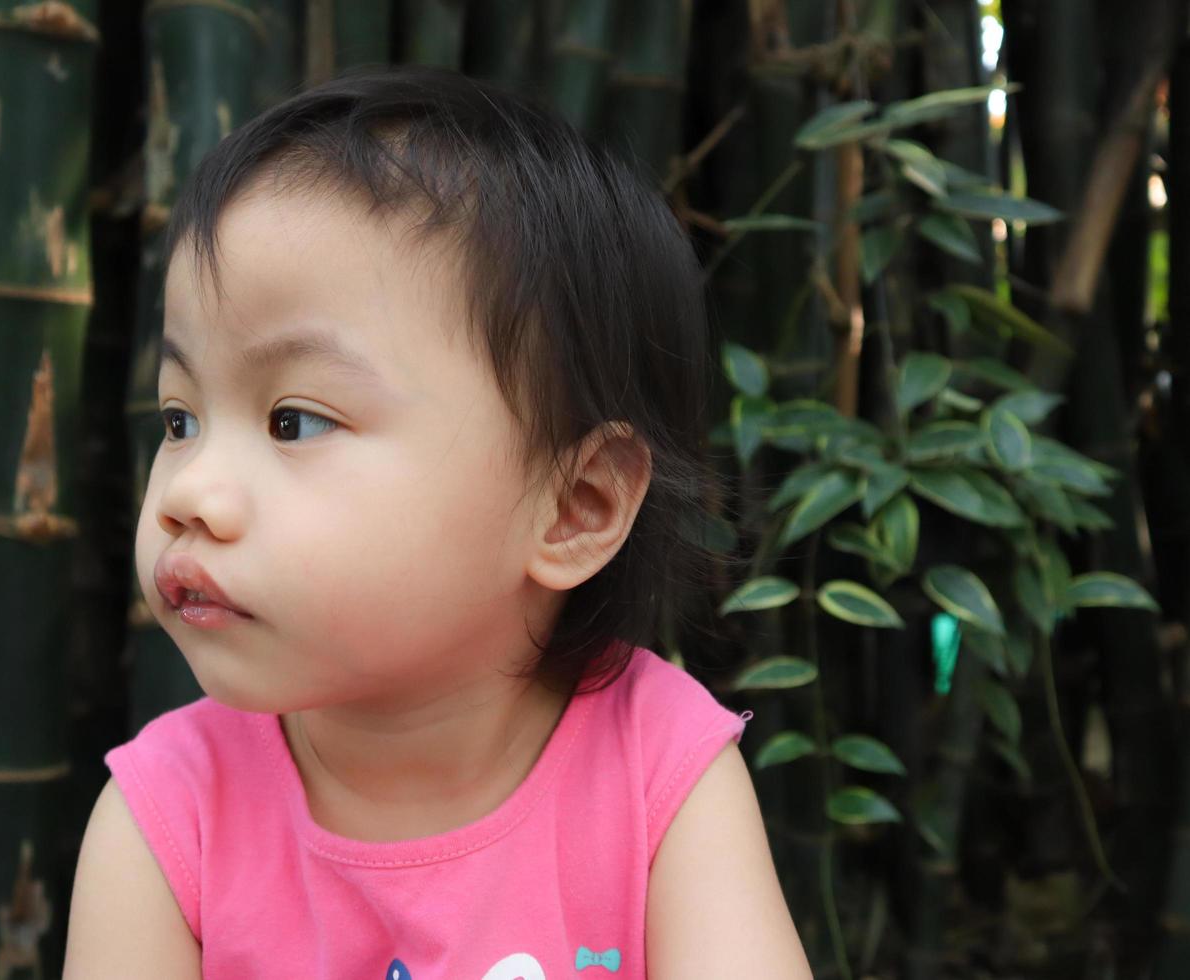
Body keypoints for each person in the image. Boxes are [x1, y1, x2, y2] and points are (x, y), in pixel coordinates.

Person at [63, 64, 810, 979]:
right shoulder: (170, 818)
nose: (189, 493)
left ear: (576, 507)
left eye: (293, 420)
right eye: (180, 421)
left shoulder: (659, 777)